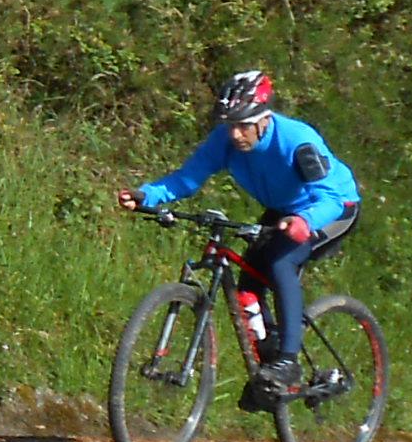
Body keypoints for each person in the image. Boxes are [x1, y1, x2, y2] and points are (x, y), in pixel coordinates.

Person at [121, 69, 361, 409]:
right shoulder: (224, 140)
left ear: (264, 119)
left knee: (281, 262)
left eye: (243, 125)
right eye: (229, 124)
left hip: (332, 209)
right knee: (249, 283)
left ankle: (288, 361)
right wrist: (146, 195)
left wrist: (305, 221)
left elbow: (331, 198)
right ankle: (270, 370)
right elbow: (187, 179)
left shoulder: (297, 141)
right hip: (283, 210)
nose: (235, 134)